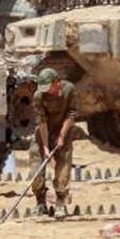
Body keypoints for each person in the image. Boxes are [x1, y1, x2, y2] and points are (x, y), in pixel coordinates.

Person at [29, 67, 78, 215]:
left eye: (48, 87)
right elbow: (41, 121)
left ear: (57, 83)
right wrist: (45, 147)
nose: (46, 92)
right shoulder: (39, 96)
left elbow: (72, 114)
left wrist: (62, 136)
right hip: (43, 133)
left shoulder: (69, 90)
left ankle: (60, 202)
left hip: (63, 130)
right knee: (36, 170)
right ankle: (40, 202)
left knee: (63, 167)